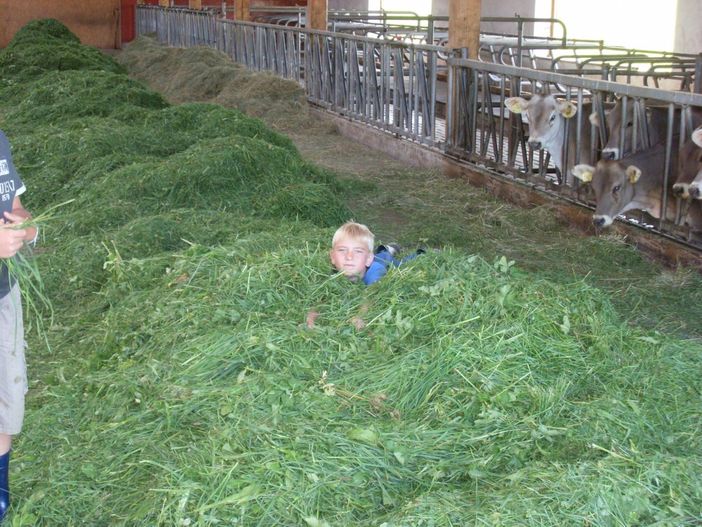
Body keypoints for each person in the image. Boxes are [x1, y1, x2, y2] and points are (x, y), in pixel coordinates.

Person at [0, 129, 36, 523]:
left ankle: (0, 493)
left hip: (3, 292)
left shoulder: (0, 141)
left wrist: (25, 227)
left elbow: (15, 203)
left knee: (4, 394)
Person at [307, 221, 423, 329]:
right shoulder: (334, 272)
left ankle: (419, 254)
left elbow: (370, 295)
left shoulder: (376, 271)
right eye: (342, 250)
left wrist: (360, 316)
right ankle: (388, 249)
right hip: (367, 260)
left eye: (357, 251)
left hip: (382, 263)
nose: (349, 257)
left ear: (368, 259)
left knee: (399, 263)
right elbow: (323, 296)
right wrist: (311, 318)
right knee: (380, 255)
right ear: (332, 257)